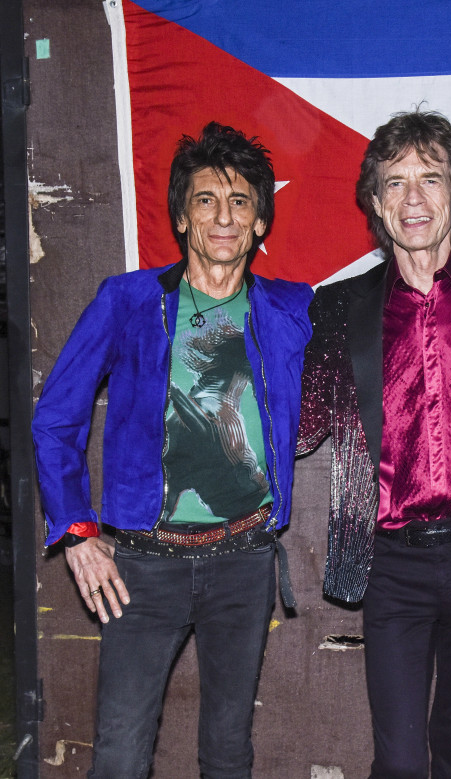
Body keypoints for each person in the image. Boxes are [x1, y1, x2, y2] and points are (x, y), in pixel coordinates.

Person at [32, 122, 313, 778]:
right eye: (207, 199)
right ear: (182, 217)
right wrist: (76, 530)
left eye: (241, 201)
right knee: (122, 754)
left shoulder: (290, 310)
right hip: (141, 568)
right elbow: (56, 417)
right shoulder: (128, 302)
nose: (224, 214)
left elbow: (377, 316)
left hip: (244, 564)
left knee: (226, 751)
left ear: (260, 222)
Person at [298, 110, 451, 779]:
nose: (413, 198)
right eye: (395, 182)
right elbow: (300, 426)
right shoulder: (338, 307)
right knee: (402, 760)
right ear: (376, 203)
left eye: (430, 179)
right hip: (392, 565)